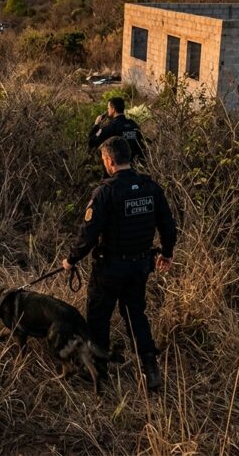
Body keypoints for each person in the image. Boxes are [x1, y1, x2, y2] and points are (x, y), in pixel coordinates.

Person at [62, 136, 177, 391]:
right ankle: (150, 370)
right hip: (139, 266)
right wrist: (167, 252)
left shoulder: (105, 192)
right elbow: (168, 224)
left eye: (103, 160)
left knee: (98, 316)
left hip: (109, 268)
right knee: (136, 315)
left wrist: (71, 259)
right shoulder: (150, 187)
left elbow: (89, 233)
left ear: (109, 160)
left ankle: (99, 371)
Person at [87, 96, 147, 165]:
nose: (108, 110)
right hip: (135, 167)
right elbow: (140, 142)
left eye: (108, 108)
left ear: (113, 109)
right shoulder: (133, 124)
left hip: (117, 167)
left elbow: (92, 142)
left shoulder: (111, 126)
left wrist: (96, 125)